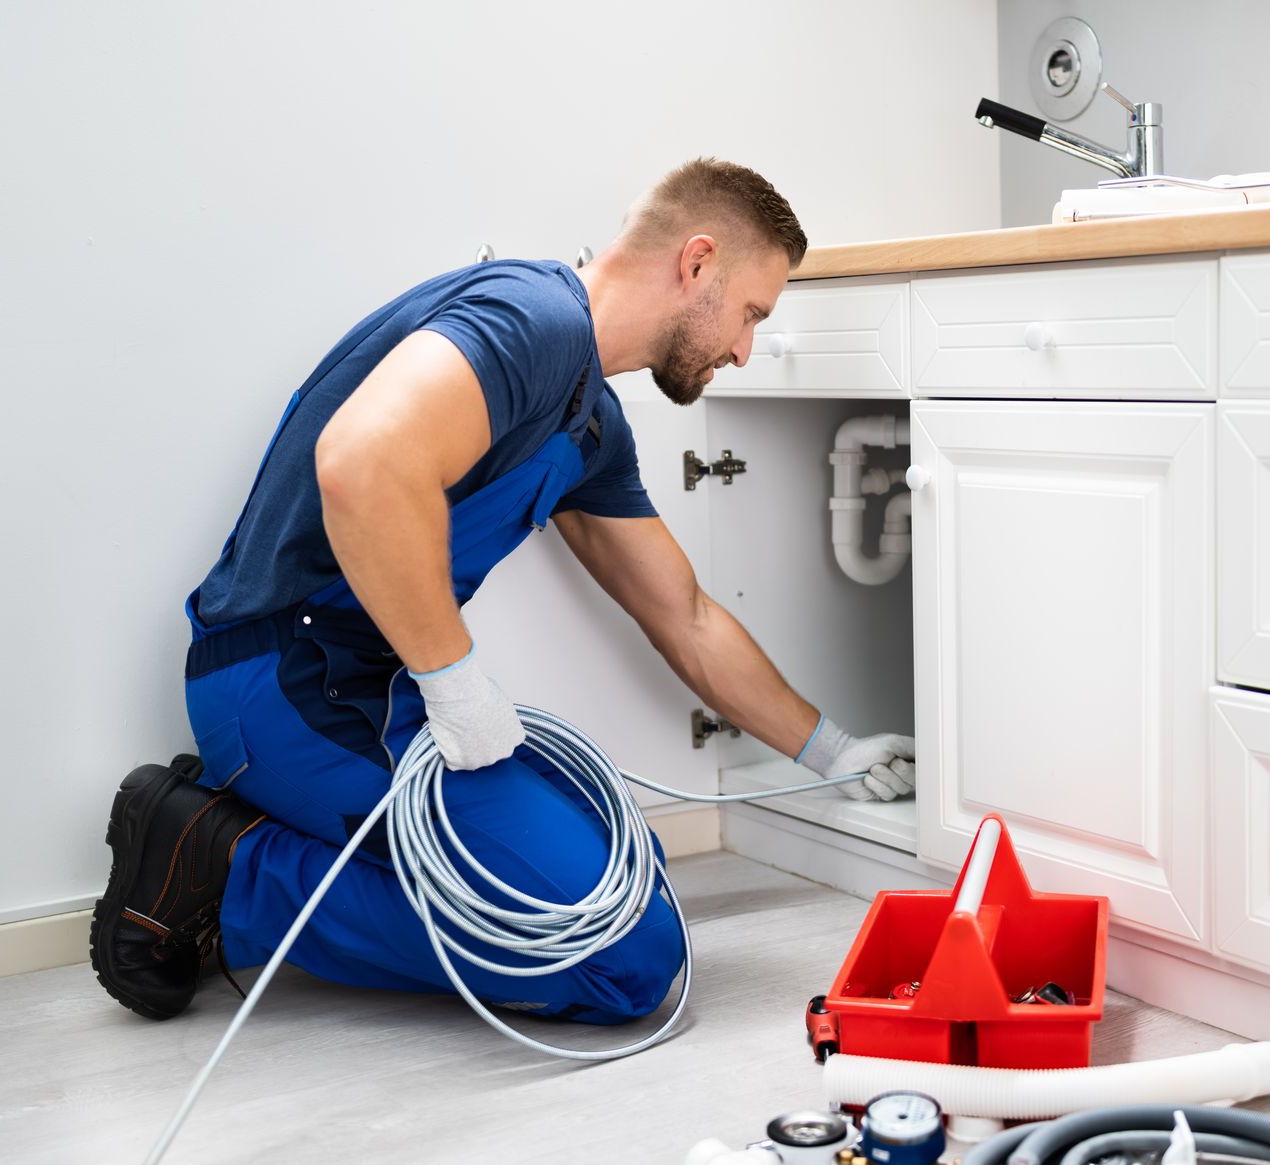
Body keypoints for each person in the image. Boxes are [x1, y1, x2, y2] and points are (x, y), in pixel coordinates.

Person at [90, 158, 916, 1025]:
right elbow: (362, 465)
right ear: (697, 261)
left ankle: (272, 841)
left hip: (374, 692)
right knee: (624, 960)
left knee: (627, 873)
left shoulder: (590, 420)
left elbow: (687, 616)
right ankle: (223, 871)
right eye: (752, 312)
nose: (745, 348)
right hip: (287, 684)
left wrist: (832, 752)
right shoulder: (529, 319)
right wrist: (455, 685)